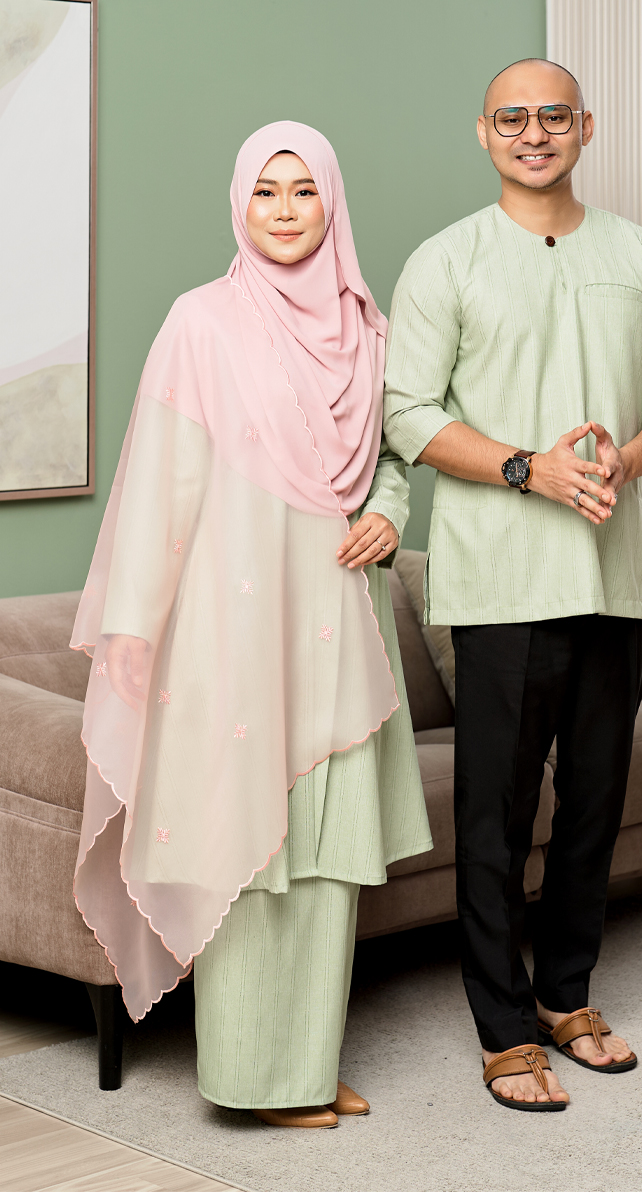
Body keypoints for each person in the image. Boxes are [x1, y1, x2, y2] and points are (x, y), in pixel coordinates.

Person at [70, 122, 431, 1129]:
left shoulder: (367, 328)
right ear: (239, 202)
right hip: (233, 626)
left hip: (339, 619)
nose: (283, 210)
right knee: (250, 845)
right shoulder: (203, 322)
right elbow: (159, 479)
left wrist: (389, 510)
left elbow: (393, 453)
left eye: (304, 190)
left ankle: (304, 1065)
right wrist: (133, 623)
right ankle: (251, 1080)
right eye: (265, 190)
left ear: (332, 203)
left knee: (324, 857)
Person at [383, 58, 642, 1111]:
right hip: (496, 584)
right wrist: (531, 467)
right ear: (484, 134)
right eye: (513, 118)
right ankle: (503, 1029)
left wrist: (624, 459)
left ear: (585, 127)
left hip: (610, 580)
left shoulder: (640, 254)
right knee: (494, 816)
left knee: (594, 807)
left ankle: (567, 997)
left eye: (553, 116)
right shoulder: (446, 260)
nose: (534, 133)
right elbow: (407, 411)